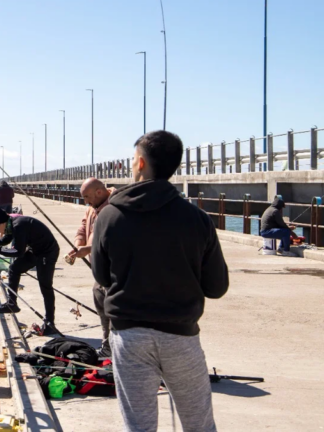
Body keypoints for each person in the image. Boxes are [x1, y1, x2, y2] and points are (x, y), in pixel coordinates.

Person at [91, 130, 229, 432]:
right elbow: (217, 287)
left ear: (140, 163)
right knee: (199, 424)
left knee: (139, 426)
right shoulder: (197, 219)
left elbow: (101, 277)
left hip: (129, 337)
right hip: (181, 336)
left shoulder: (109, 215)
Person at [0, 207, 61, 335]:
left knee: (45, 286)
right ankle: (12, 303)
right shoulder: (11, 223)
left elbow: (18, 252)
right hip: (36, 250)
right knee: (14, 268)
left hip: (47, 252)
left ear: (1, 223)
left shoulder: (18, 225)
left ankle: (50, 322)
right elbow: (9, 237)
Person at [64, 177, 115, 358]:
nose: (85, 201)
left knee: (113, 311)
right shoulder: (92, 209)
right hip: (99, 271)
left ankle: (115, 348)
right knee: (101, 306)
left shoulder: (115, 208)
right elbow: (83, 226)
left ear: (99, 192)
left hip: (114, 271)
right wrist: (79, 245)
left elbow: (114, 241)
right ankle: (107, 346)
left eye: (87, 197)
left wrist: (89, 249)